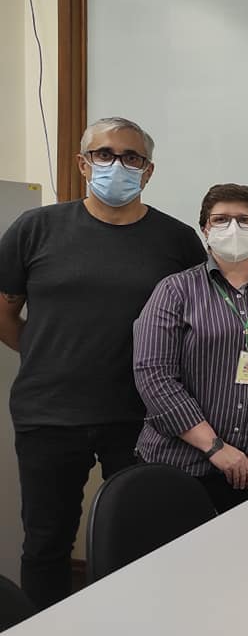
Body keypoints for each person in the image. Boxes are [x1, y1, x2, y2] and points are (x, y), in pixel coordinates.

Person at [0, 117, 206, 609]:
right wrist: (48, 354)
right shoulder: (36, 228)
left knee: (141, 537)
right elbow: (4, 311)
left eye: (131, 157)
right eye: (105, 154)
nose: (118, 165)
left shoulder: (176, 241)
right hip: (49, 415)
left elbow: (195, 326)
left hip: (141, 416)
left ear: (148, 170)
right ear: (82, 163)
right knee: (46, 542)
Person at [133, 183, 248, 514]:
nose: (233, 228)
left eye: (245, 220)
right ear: (205, 229)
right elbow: (154, 375)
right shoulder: (174, 291)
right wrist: (215, 448)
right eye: (220, 219)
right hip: (183, 466)